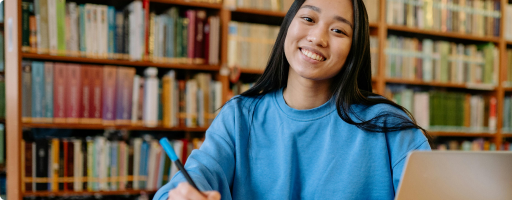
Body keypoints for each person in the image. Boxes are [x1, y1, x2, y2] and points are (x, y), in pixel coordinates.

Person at [154, 0, 430, 199]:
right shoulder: (239, 116)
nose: (318, 37)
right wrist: (182, 195)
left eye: (338, 31)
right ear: (288, 25)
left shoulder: (389, 126)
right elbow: (195, 177)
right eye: (308, 19)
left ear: (355, 48)